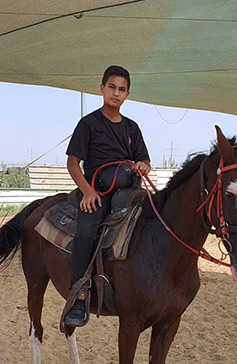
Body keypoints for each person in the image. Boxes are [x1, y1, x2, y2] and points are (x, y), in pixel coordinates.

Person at [64, 65, 151, 327]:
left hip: (128, 187)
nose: (116, 93)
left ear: (127, 94)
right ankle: (78, 297)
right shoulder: (88, 124)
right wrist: (87, 191)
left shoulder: (132, 128)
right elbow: (72, 163)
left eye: (122, 89)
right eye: (111, 87)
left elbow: (143, 158)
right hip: (97, 190)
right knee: (86, 234)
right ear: (102, 89)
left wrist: (143, 165)